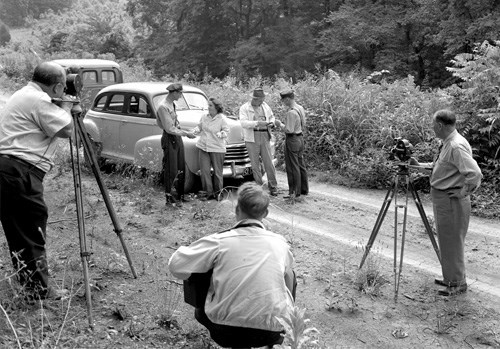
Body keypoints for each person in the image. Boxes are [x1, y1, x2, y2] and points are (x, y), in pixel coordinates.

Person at [168, 182, 296, 348]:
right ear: (266, 213)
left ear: (236, 210)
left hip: (224, 328)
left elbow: (176, 265)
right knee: (289, 273)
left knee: (206, 267)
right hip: (270, 331)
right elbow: (287, 277)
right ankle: (282, 327)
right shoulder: (280, 243)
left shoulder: (220, 241)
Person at [0, 62, 74, 299]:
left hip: (9, 169)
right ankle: (39, 292)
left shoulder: (23, 93)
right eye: (63, 87)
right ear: (58, 86)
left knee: (20, 231)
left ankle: (29, 285)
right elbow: (66, 129)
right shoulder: (39, 100)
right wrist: (69, 107)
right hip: (21, 171)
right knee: (32, 230)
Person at [410, 109, 482, 296]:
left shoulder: (456, 146)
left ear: (440, 125)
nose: (433, 128)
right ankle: (451, 278)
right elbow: (444, 170)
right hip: (444, 200)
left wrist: (463, 192)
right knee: (447, 240)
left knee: (452, 242)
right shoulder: (448, 143)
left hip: (451, 201)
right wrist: (418, 166)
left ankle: (457, 283)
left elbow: (474, 174)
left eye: (434, 125)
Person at [156, 83, 195, 205]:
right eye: (180, 93)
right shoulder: (163, 107)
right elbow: (169, 128)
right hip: (169, 138)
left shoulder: (172, 104)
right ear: (174, 93)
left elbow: (175, 124)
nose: (181, 95)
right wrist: (186, 133)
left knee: (180, 167)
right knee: (171, 170)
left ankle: (179, 196)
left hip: (177, 138)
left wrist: (184, 131)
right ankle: (171, 199)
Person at [239, 88, 279, 196]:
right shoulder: (245, 108)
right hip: (252, 136)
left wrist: (271, 123)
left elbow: (272, 117)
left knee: (268, 162)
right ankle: (259, 187)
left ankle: (273, 186)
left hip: (265, 135)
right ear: (254, 98)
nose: (262, 100)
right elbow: (243, 123)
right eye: (260, 99)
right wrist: (257, 123)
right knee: (255, 164)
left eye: (263, 98)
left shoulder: (265, 106)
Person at [193, 98, 229, 201]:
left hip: (217, 148)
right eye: (208, 105)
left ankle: (218, 193)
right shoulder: (204, 116)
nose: (208, 107)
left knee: (218, 172)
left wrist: (221, 133)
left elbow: (226, 131)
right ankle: (207, 193)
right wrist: (195, 130)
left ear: (216, 108)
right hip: (203, 147)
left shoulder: (222, 119)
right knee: (205, 171)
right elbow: (199, 127)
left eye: (210, 106)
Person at [275, 90, 309, 202]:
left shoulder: (291, 112)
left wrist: (280, 124)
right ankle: (304, 189)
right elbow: (303, 124)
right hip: (300, 138)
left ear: (288, 99)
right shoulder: (300, 108)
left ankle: (294, 193)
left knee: (292, 167)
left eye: (283, 100)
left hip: (292, 139)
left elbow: (289, 130)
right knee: (300, 164)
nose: (283, 102)